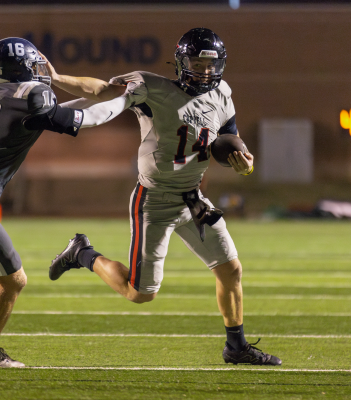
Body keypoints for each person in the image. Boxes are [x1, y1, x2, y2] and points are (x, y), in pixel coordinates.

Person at [46, 28, 282, 366]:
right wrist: (55, 78)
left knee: (231, 270)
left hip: (194, 199)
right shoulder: (151, 88)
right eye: (196, 64)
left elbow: (229, 136)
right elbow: (100, 90)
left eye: (210, 65)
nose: (204, 71)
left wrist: (243, 161)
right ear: (181, 63)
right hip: (154, 200)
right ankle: (83, 254)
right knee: (140, 293)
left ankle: (236, 347)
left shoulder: (223, 93)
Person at [0, 37, 145, 368]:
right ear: (21, 69)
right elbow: (82, 120)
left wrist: (113, 95)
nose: (41, 72)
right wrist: (125, 101)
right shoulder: (31, 95)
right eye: (34, 66)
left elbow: (61, 111)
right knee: (14, 280)